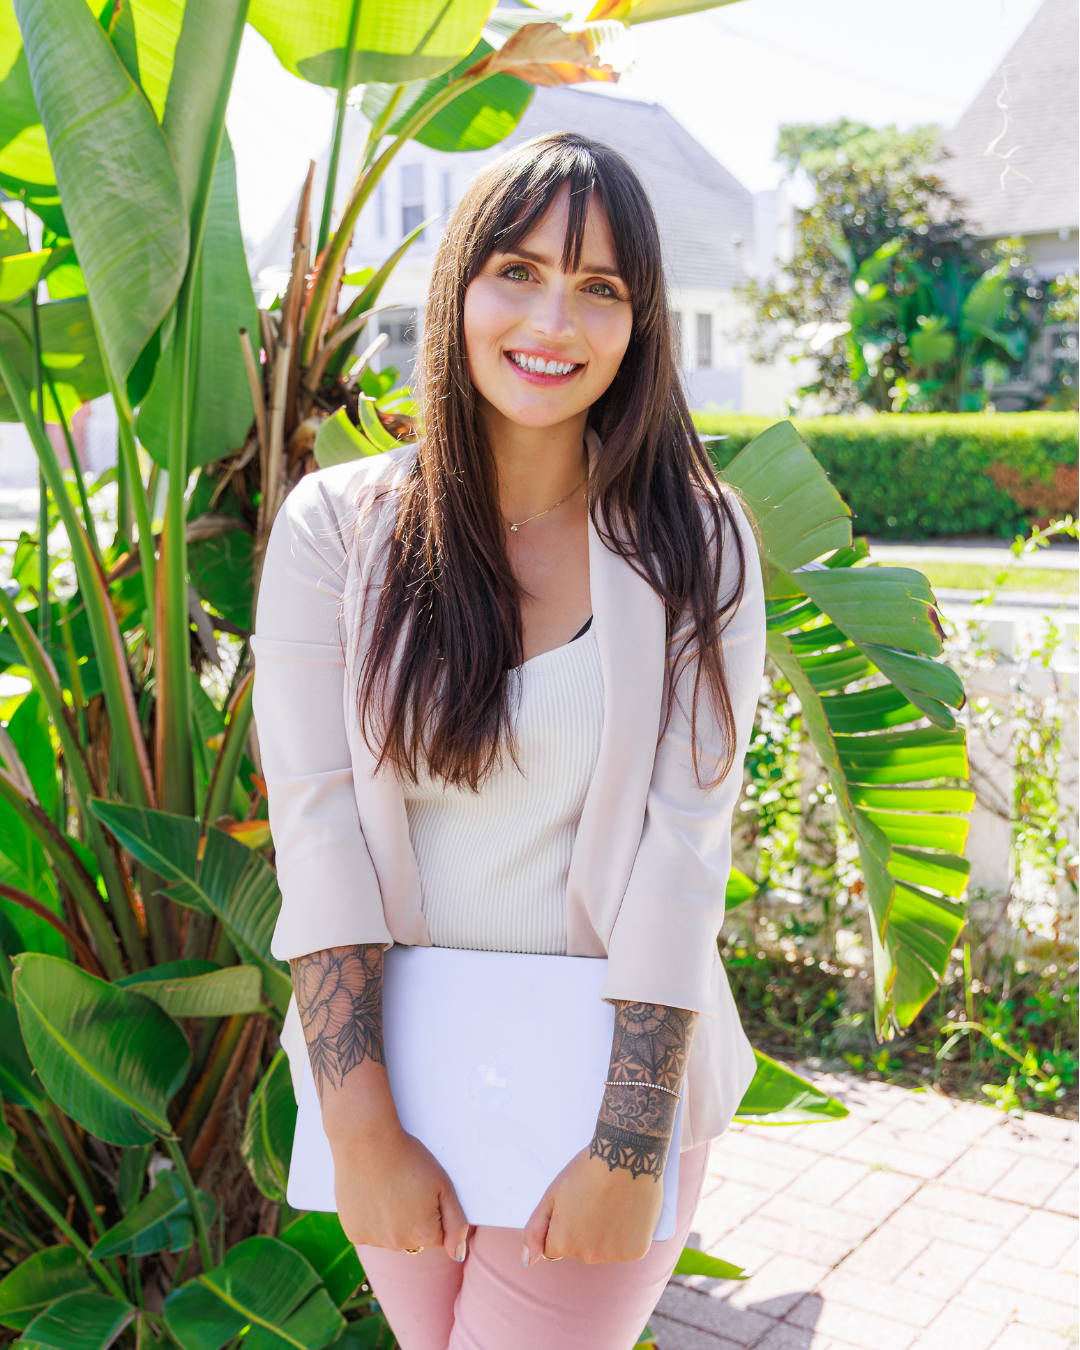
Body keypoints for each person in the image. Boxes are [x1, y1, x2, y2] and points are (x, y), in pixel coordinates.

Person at [252, 131, 766, 1350]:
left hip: (609, 1101)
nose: (556, 317)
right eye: (518, 270)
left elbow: (684, 857)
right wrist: (362, 1129)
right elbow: (315, 832)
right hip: (403, 1089)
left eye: (601, 288)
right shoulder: (340, 527)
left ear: (639, 323)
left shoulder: (698, 540)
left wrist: (628, 1146)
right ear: (458, 289)